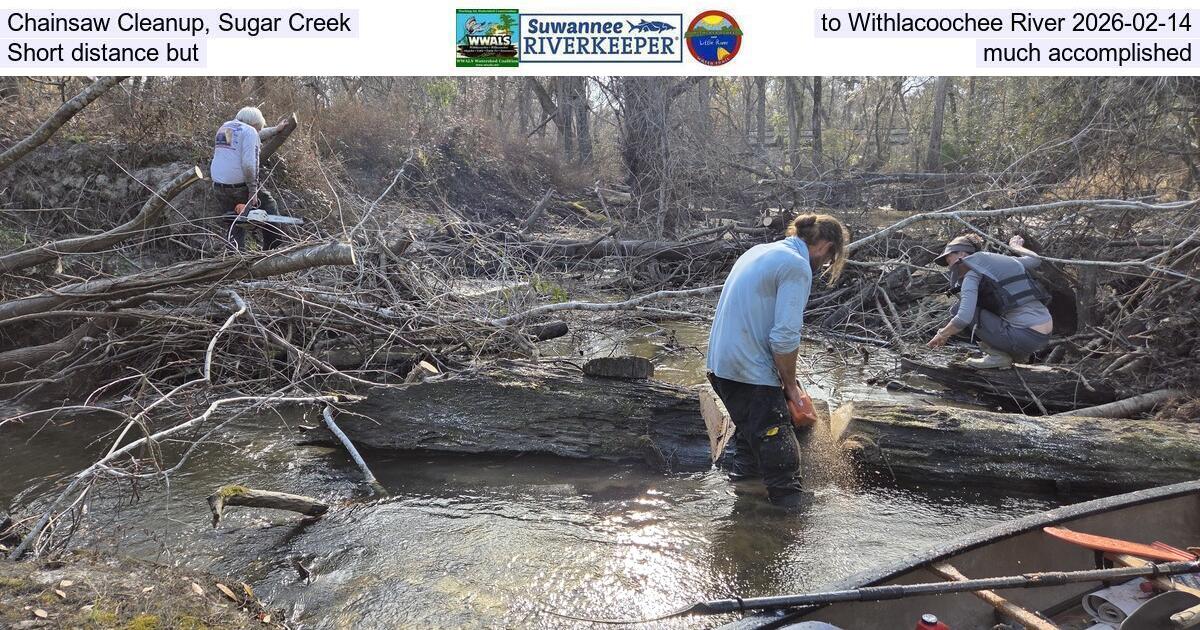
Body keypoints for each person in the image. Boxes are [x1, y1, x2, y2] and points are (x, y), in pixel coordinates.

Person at [706, 214, 850, 508]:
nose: (823, 264)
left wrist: (786, 381)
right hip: (748, 373)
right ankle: (787, 532)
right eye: (828, 258)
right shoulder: (796, 266)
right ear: (825, 246)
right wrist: (791, 388)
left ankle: (744, 513)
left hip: (721, 368)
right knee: (784, 465)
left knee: (750, 445)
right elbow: (784, 337)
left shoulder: (759, 251)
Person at [927, 233, 1054, 368]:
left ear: (962, 255)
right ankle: (1014, 354)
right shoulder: (997, 263)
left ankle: (998, 356)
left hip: (1024, 335)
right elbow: (1035, 260)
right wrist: (1016, 247)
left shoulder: (972, 275)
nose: (949, 267)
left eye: (949, 261)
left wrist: (942, 334)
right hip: (1045, 333)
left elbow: (963, 317)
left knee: (957, 309)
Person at [209, 106, 288, 252]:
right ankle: (272, 249)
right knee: (269, 206)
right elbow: (248, 164)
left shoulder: (227, 127)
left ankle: (235, 257)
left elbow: (254, 135)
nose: (257, 131)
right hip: (240, 186)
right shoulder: (249, 131)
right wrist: (253, 190)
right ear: (253, 125)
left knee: (235, 222)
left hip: (219, 186)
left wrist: (276, 129)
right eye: (257, 128)